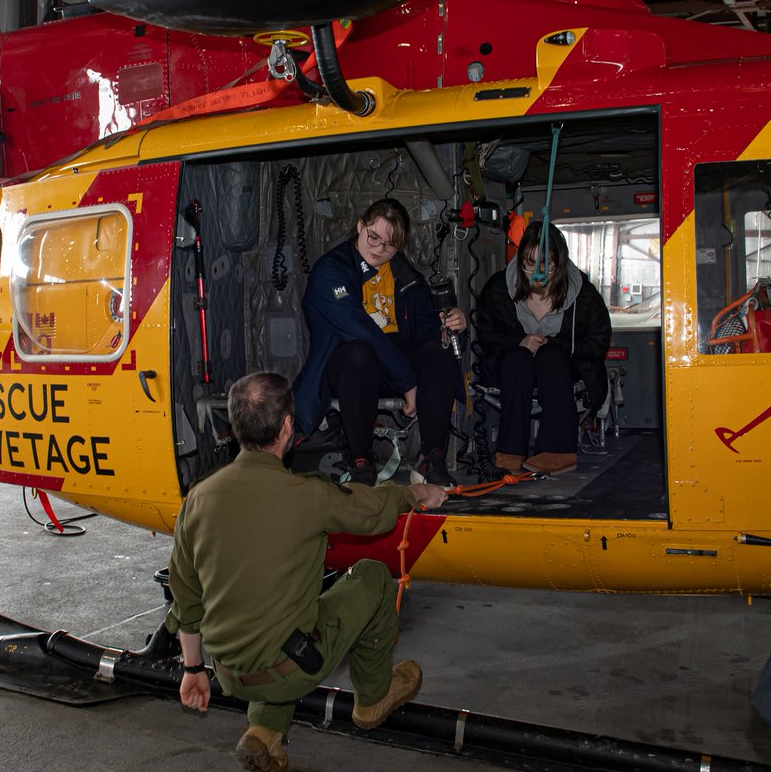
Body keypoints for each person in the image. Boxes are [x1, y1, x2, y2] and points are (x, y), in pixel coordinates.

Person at [168, 371, 447, 772]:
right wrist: (417, 493)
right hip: (290, 667)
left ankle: (264, 729)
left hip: (228, 674)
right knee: (369, 576)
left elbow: (186, 598)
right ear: (286, 427)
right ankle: (373, 697)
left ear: (234, 429)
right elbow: (372, 513)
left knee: (275, 617)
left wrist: (193, 669)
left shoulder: (198, 498)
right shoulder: (308, 496)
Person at [294, 197, 466, 487]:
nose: (378, 249)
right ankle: (361, 460)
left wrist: (447, 328)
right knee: (359, 353)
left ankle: (431, 458)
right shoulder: (331, 270)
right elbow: (360, 330)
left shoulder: (404, 272)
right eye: (372, 236)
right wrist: (408, 382)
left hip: (395, 363)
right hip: (347, 366)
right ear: (360, 226)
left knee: (437, 352)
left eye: (390, 244)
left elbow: (425, 327)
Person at [474, 221, 611, 476]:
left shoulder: (583, 293)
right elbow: (486, 334)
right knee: (518, 360)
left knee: (551, 357)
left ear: (559, 262)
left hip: (564, 366)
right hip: (513, 364)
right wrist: (519, 342)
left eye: (546, 264)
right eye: (529, 263)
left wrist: (555, 343)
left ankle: (559, 450)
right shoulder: (498, 288)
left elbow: (598, 339)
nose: (537, 272)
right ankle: (510, 452)